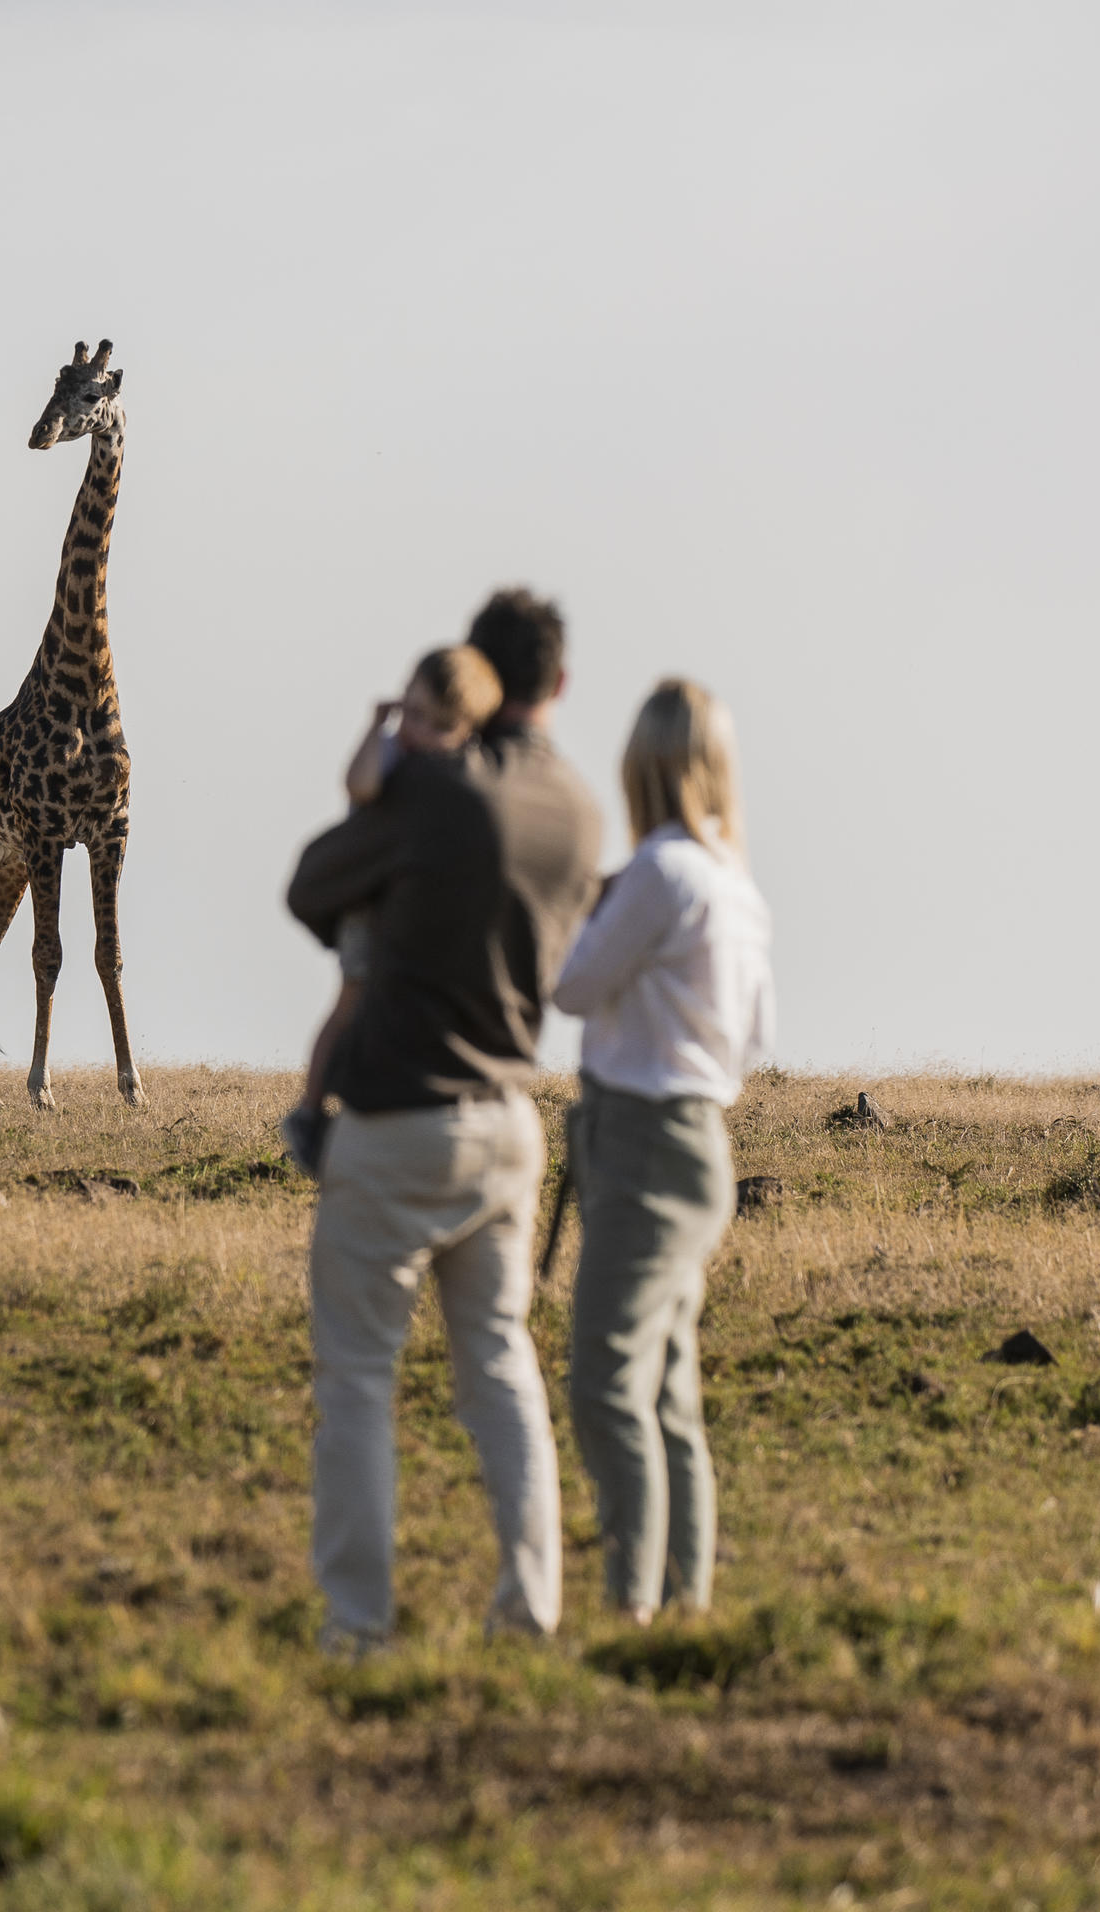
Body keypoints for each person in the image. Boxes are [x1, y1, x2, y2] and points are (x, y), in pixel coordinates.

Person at [284, 587, 600, 1651]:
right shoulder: (582, 812)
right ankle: (532, 1607)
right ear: (559, 684)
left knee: (361, 1381)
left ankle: (359, 1627)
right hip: (511, 1119)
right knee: (502, 1366)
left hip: (399, 1118)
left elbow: (311, 885)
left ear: (479, 675)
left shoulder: (440, 791)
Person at [550, 679, 774, 1624]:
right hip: (701, 1141)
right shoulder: (734, 884)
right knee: (670, 1392)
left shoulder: (656, 873)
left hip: (638, 1138)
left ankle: (630, 1604)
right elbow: (755, 1036)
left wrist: (591, 915)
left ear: (640, 771)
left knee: (605, 1382)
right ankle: (683, 1603)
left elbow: (571, 987)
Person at [282, 645, 505, 1178]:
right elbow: (358, 785)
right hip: (372, 904)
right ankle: (310, 1109)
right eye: (414, 714)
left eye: (437, 724)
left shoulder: (464, 770)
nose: (419, 731)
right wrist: (375, 730)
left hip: (414, 907)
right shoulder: (394, 754)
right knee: (352, 998)